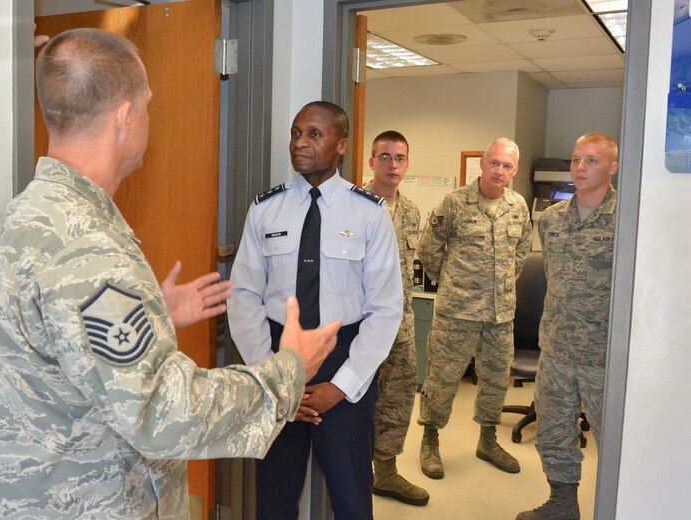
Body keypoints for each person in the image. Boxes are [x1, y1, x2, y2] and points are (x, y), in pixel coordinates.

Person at [0, 28, 342, 520]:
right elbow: (163, 414)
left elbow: (62, 349)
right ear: (126, 118)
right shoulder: (88, 248)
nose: (149, 117)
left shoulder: (26, 216)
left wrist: (153, 312)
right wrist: (289, 369)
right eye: (147, 106)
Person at [228, 101, 403, 519]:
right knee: (274, 493)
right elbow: (244, 296)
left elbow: (385, 309)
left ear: (341, 145)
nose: (300, 143)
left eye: (314, 135)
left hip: (343, 359)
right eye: (295, 133)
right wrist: (272, 375)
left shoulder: (369, 214)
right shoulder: (265, 208)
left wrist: (341, 386)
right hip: (278, 356)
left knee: (350, 494)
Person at [516, 133, 618, 520]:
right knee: (554, 433)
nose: (580, 167)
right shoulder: (552, 219)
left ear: (612, 167)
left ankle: (620, 505)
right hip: (556, 349)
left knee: (616, 439)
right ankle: (562, 504)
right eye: (576, 160)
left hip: (603, 355)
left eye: (591, 160)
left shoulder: (627, 217)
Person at [417, 137, 532, 479]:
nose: (500, 171)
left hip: (500, 315)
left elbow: (521, 252)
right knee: (442, 379)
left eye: (507, 166)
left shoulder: (518, 205)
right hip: (457, 313)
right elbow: (429, 250)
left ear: (515, 170)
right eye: (494, 163)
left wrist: (500, 286)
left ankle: (487, 440)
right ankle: (429, 440)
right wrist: (455, 284)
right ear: (482, 163)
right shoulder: (454, 204)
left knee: (496, 380)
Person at [365, 131, 429, 506]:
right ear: (371, 162)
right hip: (361, 328)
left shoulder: (411, 212)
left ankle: (385, 474)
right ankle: (353, 471)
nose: (393, 165)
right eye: (385, 157)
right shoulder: (354, 206)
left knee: (397, 401)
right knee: (356, 401)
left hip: (401, 328)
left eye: (400, 158)